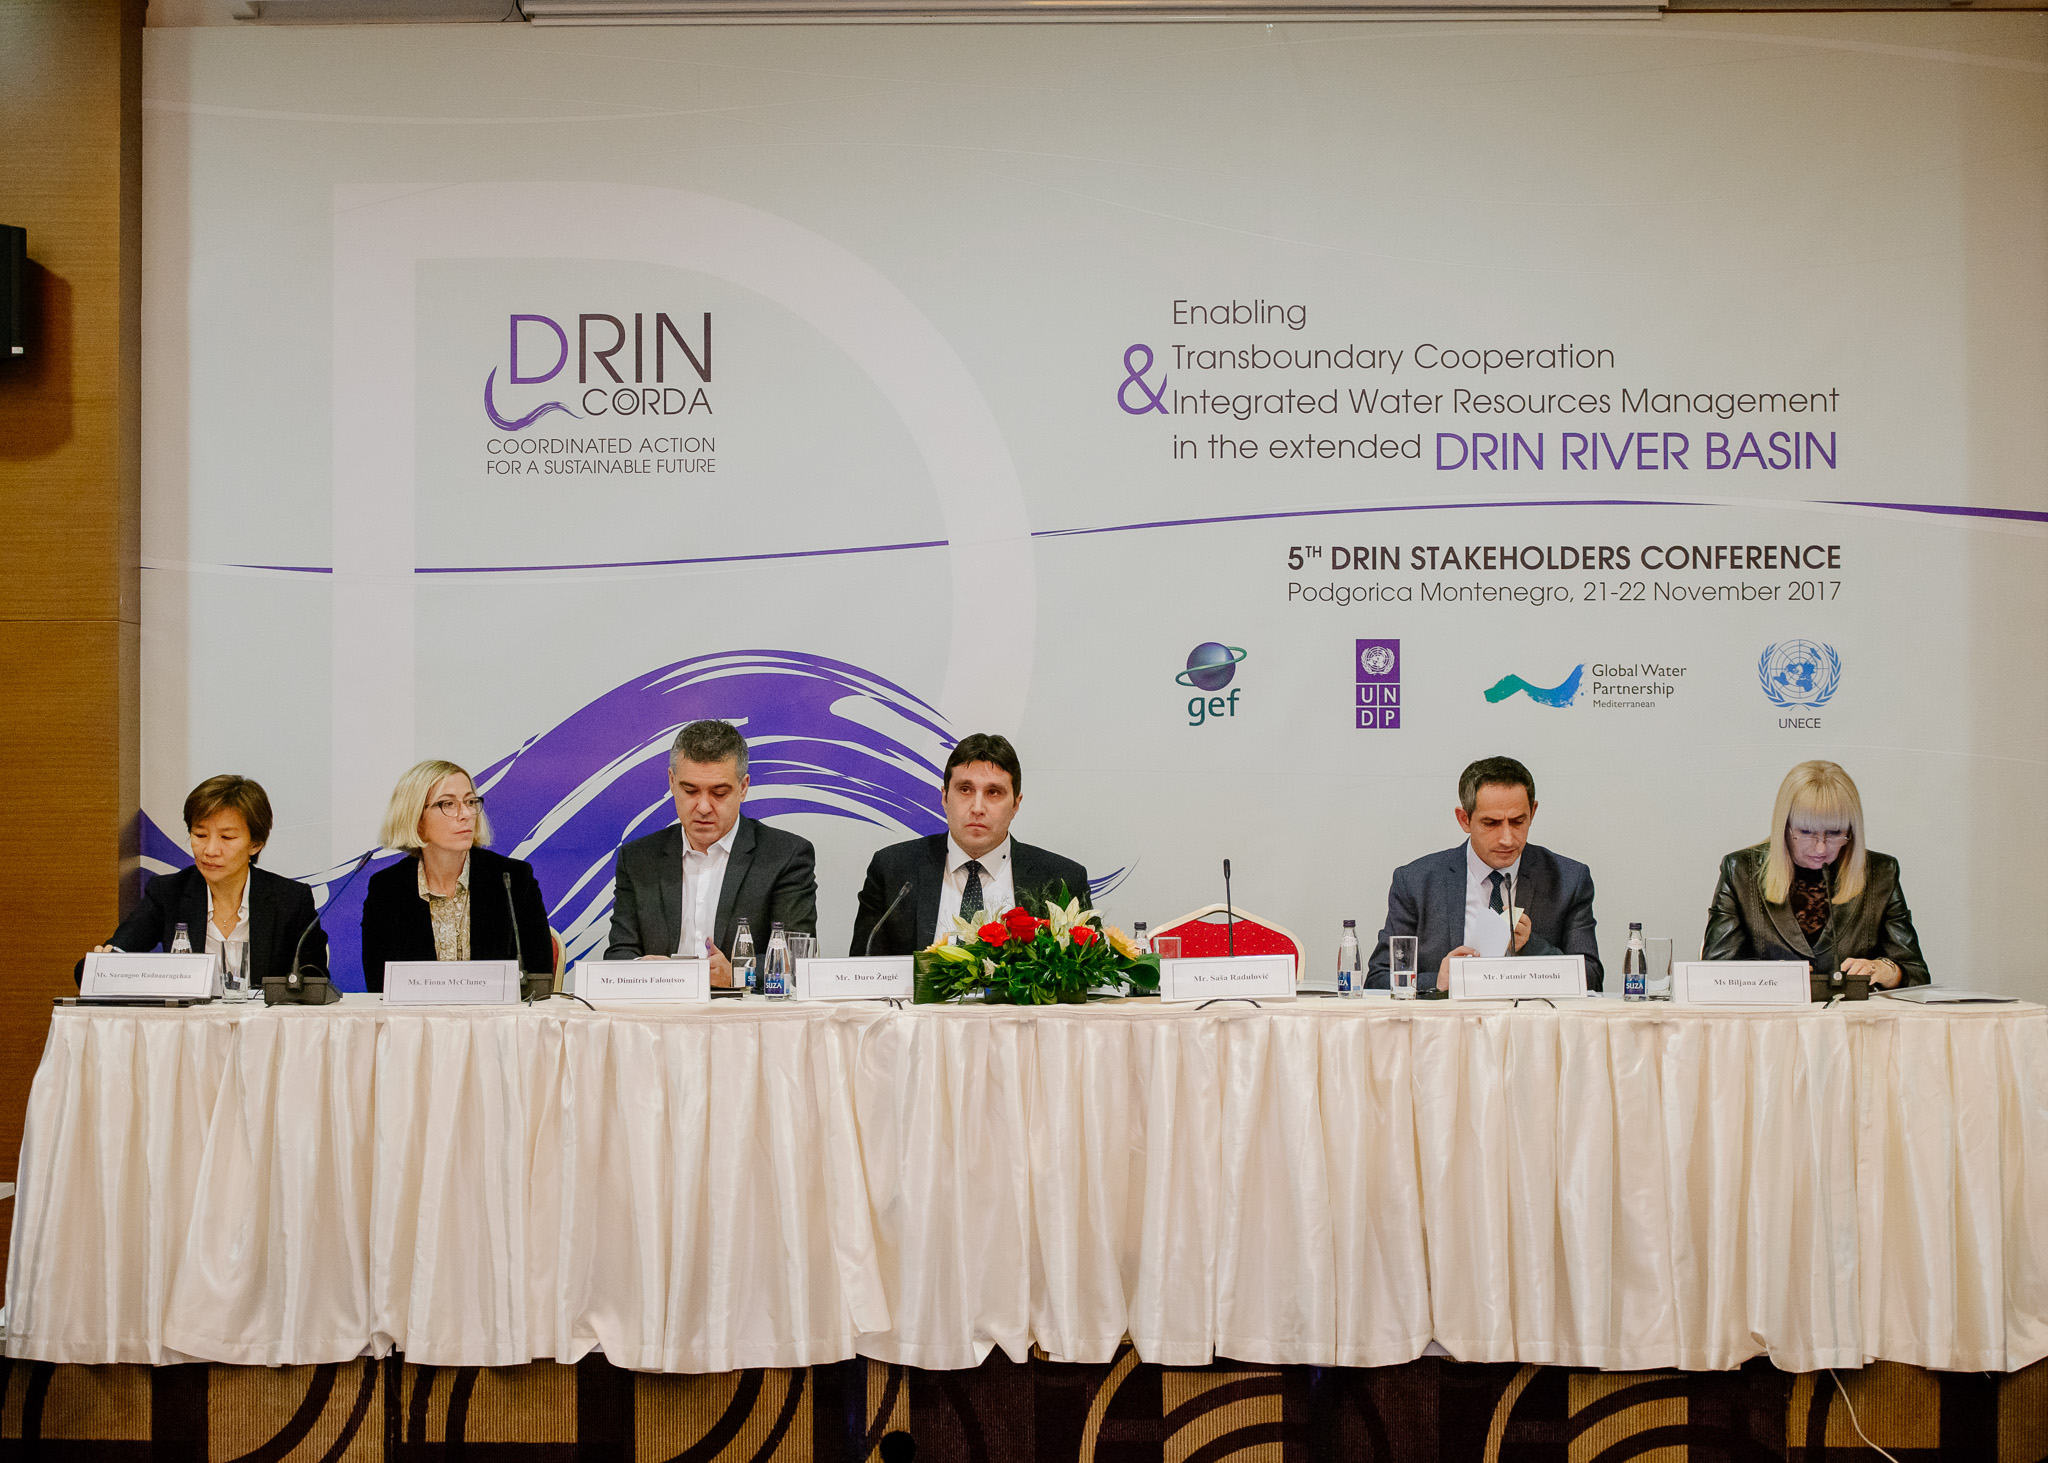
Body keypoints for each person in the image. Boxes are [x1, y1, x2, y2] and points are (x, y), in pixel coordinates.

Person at [603, 720, 818, 986]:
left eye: (719, 793)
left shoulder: (785, 856)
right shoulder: (638, 859)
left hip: (744, 1008)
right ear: (671, 782)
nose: (703, 807)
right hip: (659, 1006)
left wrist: (738, 974)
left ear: (743, 788)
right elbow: (619, 954)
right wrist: (642, 970)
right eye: (690, 790)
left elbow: (795, 959)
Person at [1367, 755, 1602, 991]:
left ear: (1532, 812)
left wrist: (1531, 946)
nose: (1507, 838)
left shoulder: (1569, 880)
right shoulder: (1416, 882)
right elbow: (1378, 979)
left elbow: (1592, 979)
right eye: (1491, 823)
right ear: (1464, 819)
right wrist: (1437, 981)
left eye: (1518, 821)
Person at [851, 732, 1090, 958]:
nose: (977, 808)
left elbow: (1086, 974)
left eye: (993, 792)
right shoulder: (893, 870)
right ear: (944, 797)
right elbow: (862, 973)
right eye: (965, 790)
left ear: (1016, 804)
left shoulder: (1062, 879)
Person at [1702, 760, 1928, 994]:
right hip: (1770, 1015)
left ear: (1852, 830)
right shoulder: (1740, 870)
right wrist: (1769, 975)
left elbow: (1917, 975)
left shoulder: (1881, 872)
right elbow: (1711, 974)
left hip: (1852, 1014)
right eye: (1806, 831)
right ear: (1784, 826)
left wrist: (1887, 971)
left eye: (1835, 832)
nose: (1821, 848)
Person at [82, 774, 321, 988]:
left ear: (256, 844)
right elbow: (103, 962)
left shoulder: (291, 900)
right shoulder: (168, 893)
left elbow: (315, 981)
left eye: (227, 837)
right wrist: (105, 964)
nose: (210, 850)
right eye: (200, 835)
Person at [359, 759, 553, 994]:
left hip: (499, 1018)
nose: (466, 814)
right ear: (416, 818)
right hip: (416, 1018)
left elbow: (538, 980)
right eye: (448, 804)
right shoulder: (387, 889)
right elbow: (381, 987)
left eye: (470, 802)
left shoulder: (512, 879)